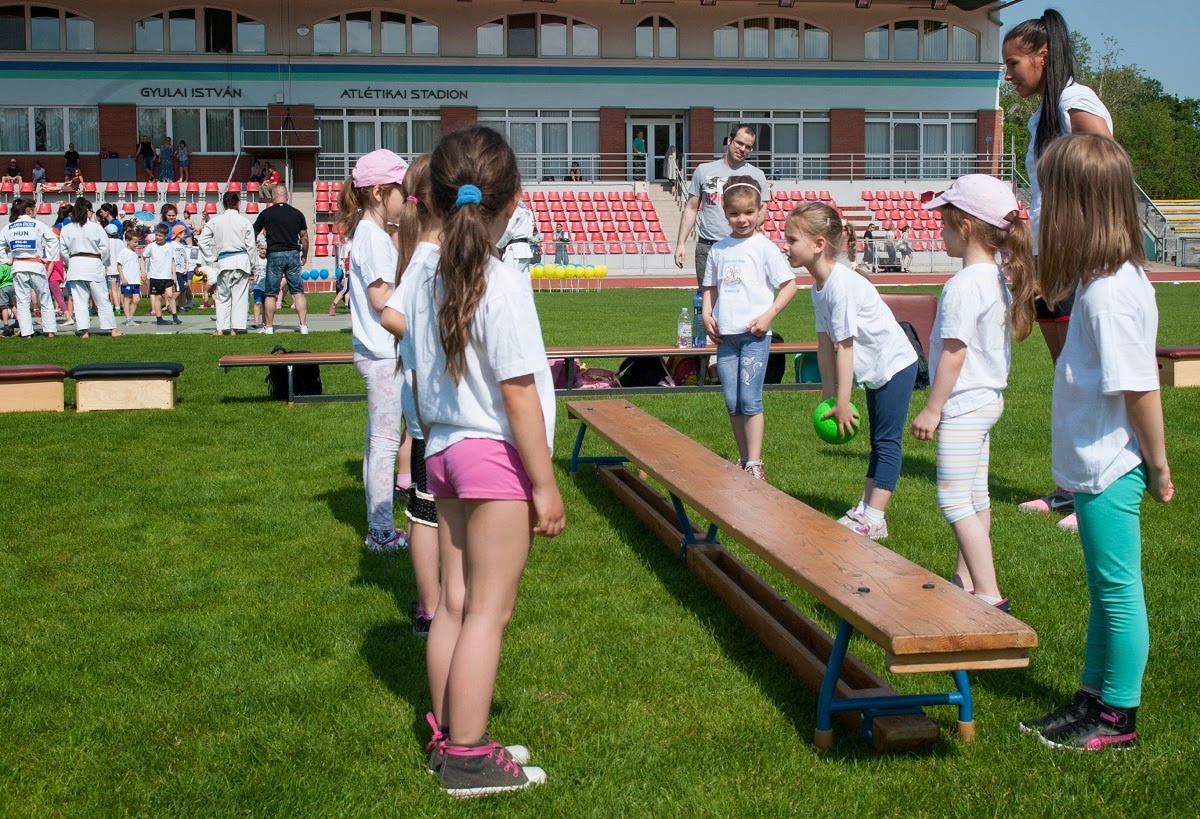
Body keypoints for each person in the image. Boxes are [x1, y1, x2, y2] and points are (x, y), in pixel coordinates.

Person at [388, 126, 561, 796]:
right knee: (488, 611)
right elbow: (519, 393)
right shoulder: (503, 281)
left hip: (444, 452)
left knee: (456, 607)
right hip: (492, 457)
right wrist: (544, 485)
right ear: (513, 201)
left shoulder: (425, 275)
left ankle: (450, 736)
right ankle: (467, 756)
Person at [1016, 133, 1173, 750]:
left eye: (1049, 201)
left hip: (1111, 467)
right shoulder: (1098, 281)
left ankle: (1118, 716)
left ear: (1076, 208)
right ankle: (1092, 696)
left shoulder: (1110, 293)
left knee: (1118, 591)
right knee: (1104, 593)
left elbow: (1140, 389)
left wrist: (1159, 466)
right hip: (1093, 463)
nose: (1040, 215)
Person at [1004, 9, 1114, 532]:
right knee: (1067, 376)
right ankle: (1070, 488)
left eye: (1014, 63)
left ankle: (1100, 491)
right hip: (1049, 259)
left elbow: (1108, 170)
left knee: (1090, 374)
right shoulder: (1039, 120)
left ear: (1042, 57)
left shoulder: (1076, 103)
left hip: (1082, 258)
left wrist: (1089, 245)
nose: (1009, 74)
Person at [910, 175, 1034, 611]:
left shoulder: (964, 284)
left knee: (953, 499)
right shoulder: (994, 277)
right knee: (976, 497)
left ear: (964, 228)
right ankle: (964, 581)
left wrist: (933, 408)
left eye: (943, 224)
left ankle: (989, 594)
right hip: (986, 401)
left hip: (964, 406)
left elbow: (954, 352)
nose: (939, 232)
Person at [784, 202, 918, 540]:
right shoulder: (819, 287)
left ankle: (876, 517)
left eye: (792, 240)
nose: (785, 246)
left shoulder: (840, 285)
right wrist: (829, 397)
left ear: (818, 244)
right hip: (876, 369)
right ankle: (865, 507)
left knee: (886, 441)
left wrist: (844, 402)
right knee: (877, 441)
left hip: (894, 365)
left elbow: (845, 348)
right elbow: (824, 345)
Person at [333, 149, 413, 553]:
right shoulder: (373, 237)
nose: (408, 198)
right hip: (383, 354)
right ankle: (381, 532)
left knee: (377, 441)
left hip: (375, 352)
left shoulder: (370, 233)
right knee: (384, 444)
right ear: (380, 192)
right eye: (403, 190)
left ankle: (378, 526)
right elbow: (382, 299)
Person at [700, 176, 798, 482]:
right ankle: (743, 459)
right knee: (732, 401)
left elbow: (790, 285)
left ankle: (755, 462)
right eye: (734, 213)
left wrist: (768, 316)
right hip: (725, 338)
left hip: (755, 337)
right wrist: (706, 314)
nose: (741, 219)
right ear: (724, 212)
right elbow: (709, 287)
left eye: (748, 213)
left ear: (759, 212)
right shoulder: (718, 249)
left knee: (751, 399)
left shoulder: (765, 247)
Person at [379, 155, 441, 637]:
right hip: (433, 410)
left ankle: (437, 606)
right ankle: (433, 608)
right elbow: (391, 315)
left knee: (430, 512)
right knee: (429, 513)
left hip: (431, 406)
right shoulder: (427, 256)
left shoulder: (421, 251)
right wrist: (434, 340)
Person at [675, 124, 769, 288]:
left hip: (740, 247)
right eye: (739, 143)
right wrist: (681, 244)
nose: (742, 149)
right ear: (730, 140)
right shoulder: (704, 171)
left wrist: (742, 234)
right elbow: (691, 208)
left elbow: (761, 214)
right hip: (708, 247)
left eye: (748, 147)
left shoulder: (756, 175)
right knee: (707, 299)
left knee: (737, 298)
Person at [252, 185, 310, 334]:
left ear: (273, 197)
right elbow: (304, 237)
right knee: (298, 291)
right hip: (293, 254)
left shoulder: (266, 213)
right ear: (287, 197)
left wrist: (252, 249)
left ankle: (269, 327)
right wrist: (304, 254)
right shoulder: (297, 213)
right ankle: (303, 326)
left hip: (275, 254)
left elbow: (254, 232)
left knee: (271, 293)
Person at [60, 198, 120, 338]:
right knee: (102, 298)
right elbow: (105, 249)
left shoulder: (67, 229)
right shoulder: (96, 227)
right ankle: (112, 329)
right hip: (93, 263)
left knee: (80, 300)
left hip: (75, 264)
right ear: (88, 211)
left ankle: (84, 331)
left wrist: (71, 262)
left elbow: (63, 251)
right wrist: (105, 263)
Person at [198, 191, 256, 336]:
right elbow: (251, 246)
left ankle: (220, 329)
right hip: (241, 261)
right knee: (239, 297)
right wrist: (251, 264)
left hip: (224, 261)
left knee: (222, 297)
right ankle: (234, 329)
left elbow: (201, 241)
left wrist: (211, 258)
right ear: (238, 203)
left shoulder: (215, 221)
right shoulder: (244, 221)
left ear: (224, 204)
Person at [0, 198, 60, 338]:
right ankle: (50, 331)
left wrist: (6, 260)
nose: (36, 212)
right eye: (35, 209)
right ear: (29, 210)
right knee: (45, 298)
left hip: (18, 266)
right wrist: (49, 258)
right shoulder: (37, 224)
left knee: (22, 302)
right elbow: (53, 239)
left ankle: (27, 333)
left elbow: (0, 245)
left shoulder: (9, 227)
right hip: (36, 264)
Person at [143, 224, 180, 326]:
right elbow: (143, 257)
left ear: (165, 236)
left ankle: (175, 316)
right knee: (158, 297)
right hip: (155, 276)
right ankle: (159, 318)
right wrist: (143, 271)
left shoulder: (170, 247)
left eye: (160, 236)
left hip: (167, 276)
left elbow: (172, 260)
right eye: (157, 235)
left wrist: (174, 274)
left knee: (170, 295)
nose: (158, 237)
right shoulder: (151, 246)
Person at [496, 200, 535, 277]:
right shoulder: (527, 209)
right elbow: (531, 229)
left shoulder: (514, 207)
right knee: (523, 280)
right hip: (525, 249)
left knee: (509, 278)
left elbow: (508, 230)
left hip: (514, 250)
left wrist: (498, 245)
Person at [116, 228, 141, 327]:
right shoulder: (124, 252)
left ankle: (130, 317)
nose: (136, 244)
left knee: (136, 299)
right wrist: (123, 278)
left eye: (137, 242)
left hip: (135, 280)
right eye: (134, 242)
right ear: (127, 241)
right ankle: (128, 319)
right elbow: (119, 265)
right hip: (127, 280)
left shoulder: (134, 253)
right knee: (127, 299)